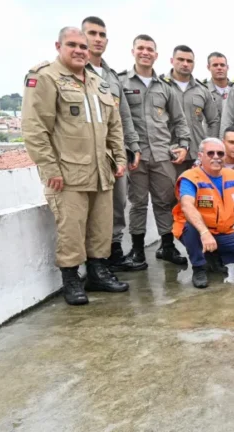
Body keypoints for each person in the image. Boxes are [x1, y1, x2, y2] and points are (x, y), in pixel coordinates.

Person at [22, 27, 129, 305]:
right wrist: (49, 169)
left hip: (100, 171)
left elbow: (114, 126)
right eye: (73, 45)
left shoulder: (97, 82)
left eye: (83, 46)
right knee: (71, 229)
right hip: (67, 173)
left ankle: (97, 273)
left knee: (100, 228)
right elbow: (35, 129)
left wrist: (119, 158)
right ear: (58, 46)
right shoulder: (45, 77)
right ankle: (71, 278)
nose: (80, 50)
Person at [120, 34, 191, 267]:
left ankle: (167, 247)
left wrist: (183, 144)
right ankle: (137, 251)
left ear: (156, 55)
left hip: (162, 154)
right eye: (140, 48)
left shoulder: (165, 87)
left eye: (150, 49)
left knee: (165, 202)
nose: (145, 52)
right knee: (138, 203)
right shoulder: (123, 84)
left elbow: (179, 119)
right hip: (135, 156)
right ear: (133, 52)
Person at [81, 16, 143, 273]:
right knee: (91, 208)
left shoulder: (111, 77)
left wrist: (133, 146)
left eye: (102, 34)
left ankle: (114, 251)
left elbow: (124, 116)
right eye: (92, 33)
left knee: (117, 203)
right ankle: (96, 261)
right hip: (84, 153)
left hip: (115, 152)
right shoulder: (72, 73)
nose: (97, 39)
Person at [172, 138, 234, 288]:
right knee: (189, 226)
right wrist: (204, 232)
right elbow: (186, 206)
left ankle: (214, 256)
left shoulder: (232, 176)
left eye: (220, 153)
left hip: (224, 233)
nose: (216, 157)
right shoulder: (190, 177)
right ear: (200, 156)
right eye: (210, 153)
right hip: (198, 232)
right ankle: (199, 267)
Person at [162, 45, 219, 177]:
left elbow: (214, 120)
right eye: (180, 60)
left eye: (189, 61)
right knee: (169, 194)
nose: (185, 64)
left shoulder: (202, 90)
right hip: (169, 152)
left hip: (196, 154)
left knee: (198, 193)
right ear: (172, 60)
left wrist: (210, 147)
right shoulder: (161, 87)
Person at [204, 52, 234, 124]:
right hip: (211, 134)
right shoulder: (203, 90)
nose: (219, 68)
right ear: (208, 67)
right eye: (215, 65)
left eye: (222, 65)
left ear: (227, 67)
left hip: (233, 133)